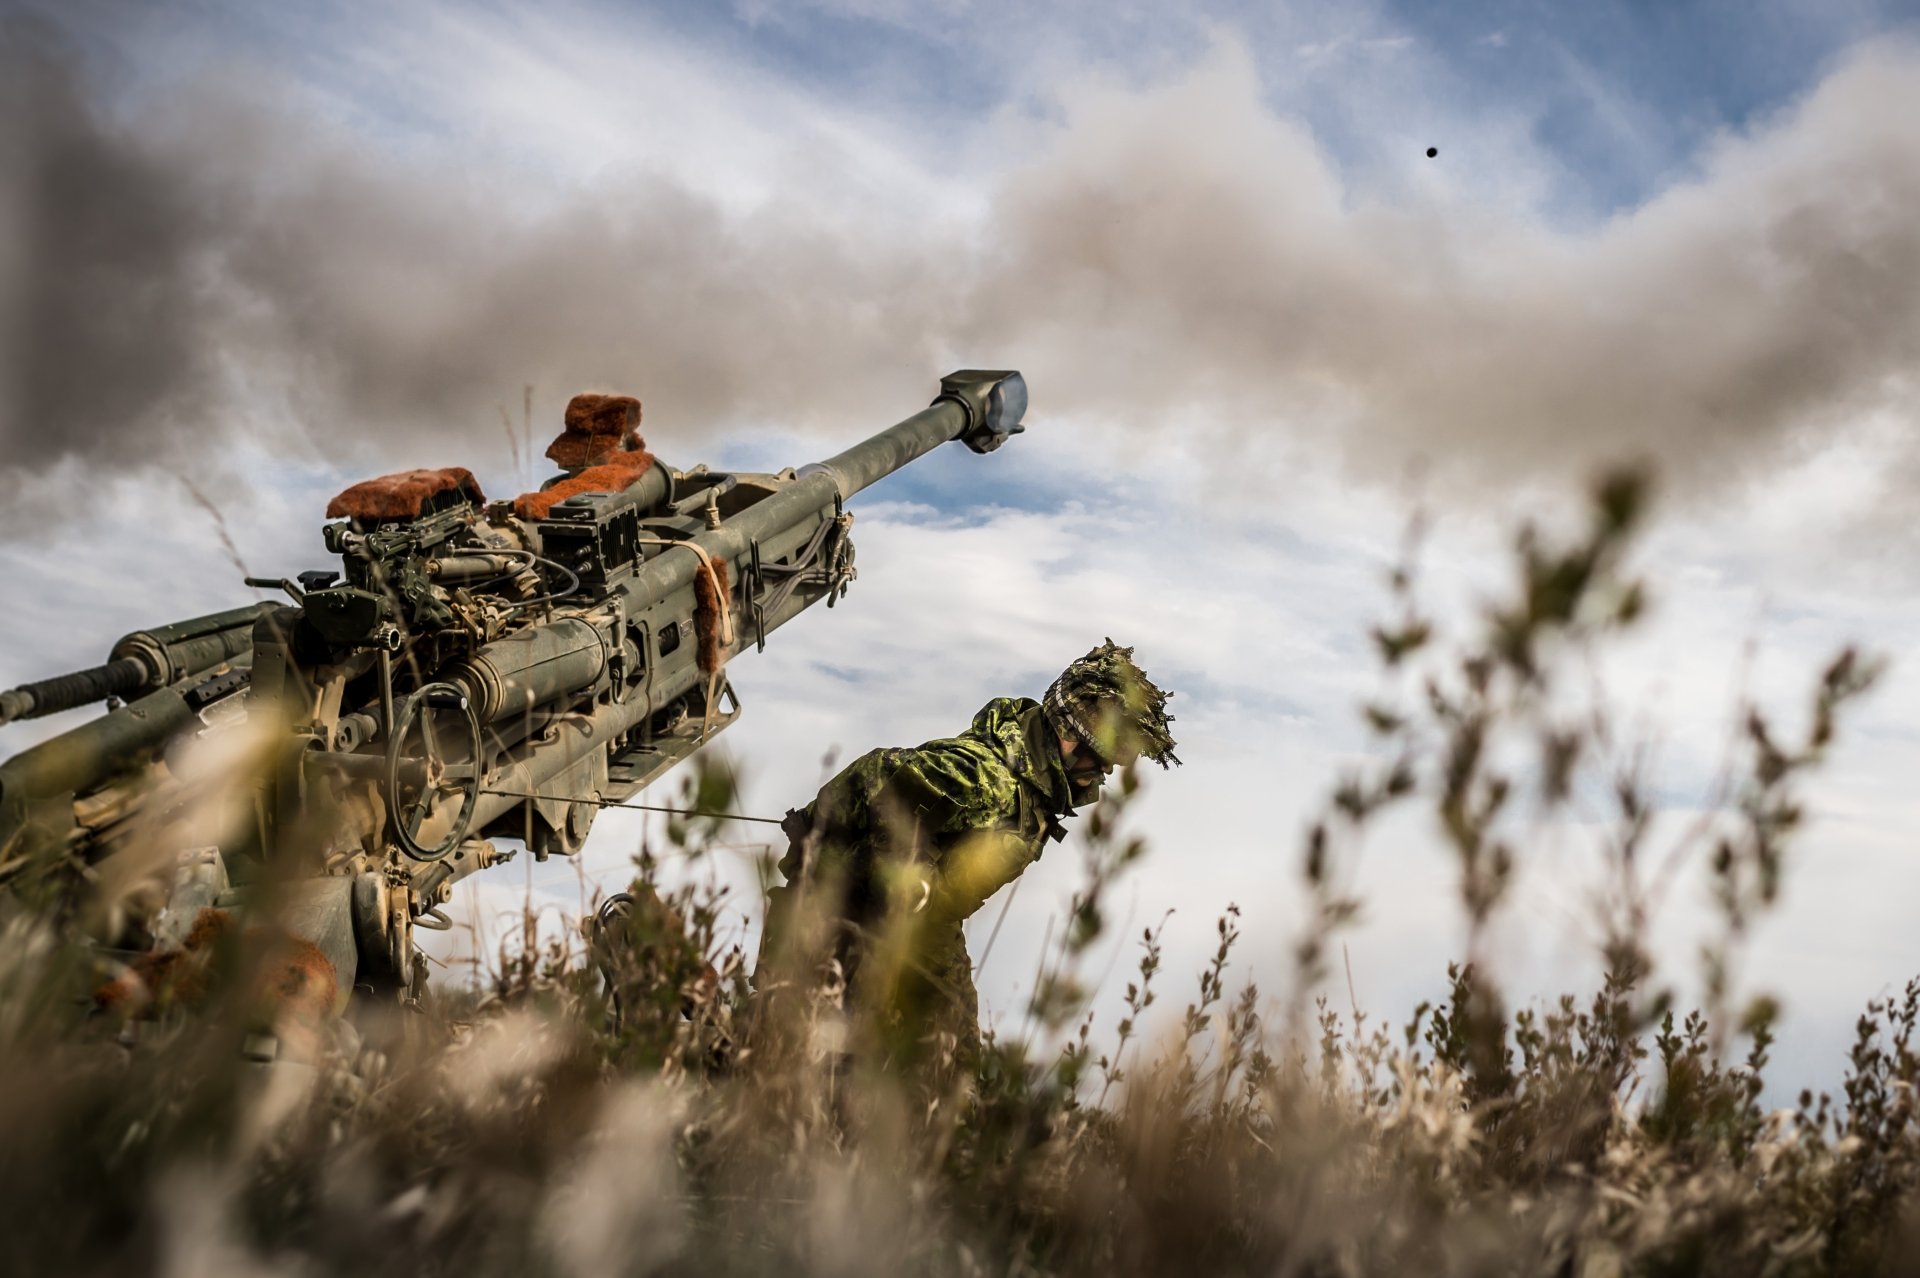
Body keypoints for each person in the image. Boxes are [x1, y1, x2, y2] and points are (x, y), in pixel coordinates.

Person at [756, 639, 1179, 1076]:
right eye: (1101, 757)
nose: (1105, 771)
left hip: (931, 929)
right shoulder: (985, 778)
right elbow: (883, 778)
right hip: (860, 923)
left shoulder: (1029, 792)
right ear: (1069, 737)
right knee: (835, 1064)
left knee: (953, 1071)